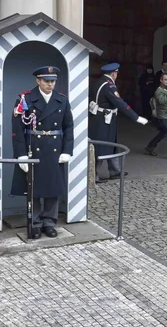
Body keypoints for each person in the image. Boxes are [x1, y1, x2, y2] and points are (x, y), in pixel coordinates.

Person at [11, 66, 74, 239]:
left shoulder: (61, 100)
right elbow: (17, 129)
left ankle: (49, 222)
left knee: (52, 187)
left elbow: (68, 126)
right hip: (33, 148)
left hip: (55, 149)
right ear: (38, 80)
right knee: (35, 189)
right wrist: (21, 154)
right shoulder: (25, 99)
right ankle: (35, 223)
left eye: (53, 81)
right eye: (46, 81)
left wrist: (67, 150)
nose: (50, 84)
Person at [89, 63, 148, 183]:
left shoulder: (99, 82)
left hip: (102, 118)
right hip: (104, 120)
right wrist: (136, 117)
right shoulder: (109, 86)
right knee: (101, 145)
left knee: (111, 143)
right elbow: (120, 103)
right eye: (116, 73)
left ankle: (114, 170)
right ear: (114, 73)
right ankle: (93, 175)